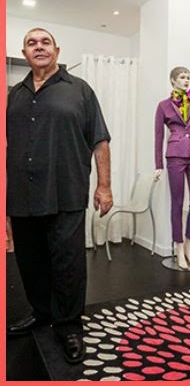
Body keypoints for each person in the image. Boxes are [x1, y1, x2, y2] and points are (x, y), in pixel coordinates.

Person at [6, 28, 113, 364]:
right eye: (31, 43)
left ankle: (68, 325)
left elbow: (100, 140)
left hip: (66, 191)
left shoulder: (80, 90)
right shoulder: (13, 95)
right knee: (30, 261)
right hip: (22, 195)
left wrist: (104, 186)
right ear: (24, 53)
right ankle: (41, 312)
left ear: (57, 50)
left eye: (45, 42)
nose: (39, 47)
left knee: (68, 264)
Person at [154, 66, 190, 269]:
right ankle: (178, 248)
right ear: (173, 80)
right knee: (177, 203)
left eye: (188, 77)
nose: (186, 80)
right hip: (175, 155)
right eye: (182, 77)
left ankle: (188, 244)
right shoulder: (163, 106)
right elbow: (158, 136)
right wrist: (158, 164)